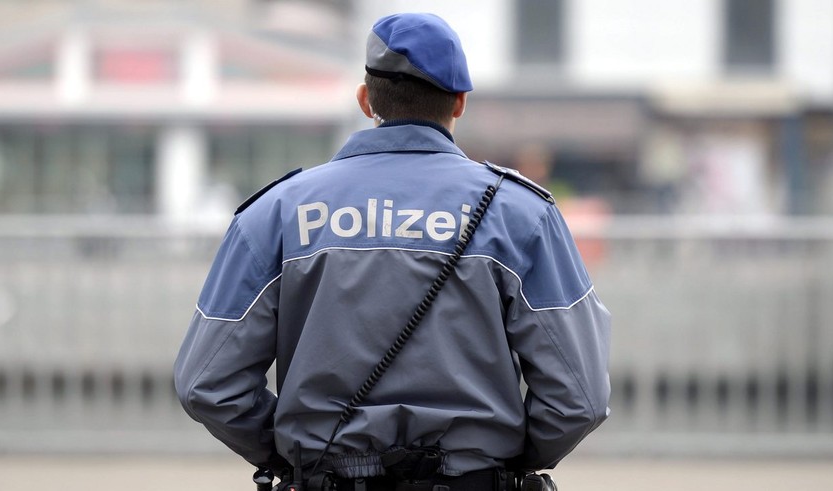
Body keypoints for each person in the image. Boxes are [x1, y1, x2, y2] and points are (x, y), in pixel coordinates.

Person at [174, 12, 611, 491]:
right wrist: (502, 461)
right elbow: (580, 397)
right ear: (459, 103)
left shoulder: (277, 213)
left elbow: (206, 383)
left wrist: (289, 455)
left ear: (365, 99)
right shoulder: (521, 214)